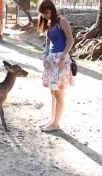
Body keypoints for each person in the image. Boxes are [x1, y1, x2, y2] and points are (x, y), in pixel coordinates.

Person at [38, 0, 74, 131]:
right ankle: (52, 119)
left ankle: (56, 123)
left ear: (52, 10)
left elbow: (70, 40)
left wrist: (63, 57)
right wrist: (45, 57)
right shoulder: (48, 23)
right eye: (42, 14)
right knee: (53, 93)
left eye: (46, 13)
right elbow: (48, 44)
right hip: (51, 61)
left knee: (59, 93)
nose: (45, 16)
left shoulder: (62, 21)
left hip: (61, 60)